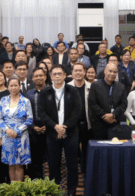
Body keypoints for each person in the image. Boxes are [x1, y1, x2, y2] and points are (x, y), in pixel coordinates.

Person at [37, 65, 82, 196]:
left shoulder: (72, 91)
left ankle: (71, 190)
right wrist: (55, 126)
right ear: (50, 76)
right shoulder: (45, 92)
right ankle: (54, 190)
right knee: (53, 164)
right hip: (52, 133)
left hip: (71, 132)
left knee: (72, 164)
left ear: (64, 75)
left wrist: (64, 127)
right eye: (54, 74)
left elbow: (77, 111)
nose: (57, 76)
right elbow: (41, 113)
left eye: (59, 74)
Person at [0, 77, 33, 182]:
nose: (13, 88)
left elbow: (30, 119)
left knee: (19, 165)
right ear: (8, 87)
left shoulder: (26, 101)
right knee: (10, 165)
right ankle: (13, 189)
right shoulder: (3, 100)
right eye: (11, 85)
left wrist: (17, 130)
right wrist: (7, 130)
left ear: (19, 86)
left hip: (21, 136)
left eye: (15, 85)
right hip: (7, 136)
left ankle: (19, 189)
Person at [89, 62, 128, 140]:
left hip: (115, 122)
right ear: (104, 71)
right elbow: (92, 103)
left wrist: (113, 114)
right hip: (99, 123)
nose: (112, 74)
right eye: (110, 71)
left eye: (114, 72)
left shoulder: (121, 87)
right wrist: (104, 115)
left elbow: (124, 104)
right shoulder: (95, 85)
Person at [68, 62, 91, 173]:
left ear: (85, 72)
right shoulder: (67, 88)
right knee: (72, 152)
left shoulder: (91, 87)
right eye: (75, 70)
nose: (78, 73)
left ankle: (86, 174)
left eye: (80, 70)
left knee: (87, 151)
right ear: (72, 73)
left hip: (87, 124)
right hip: (72, 125)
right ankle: (73, 176)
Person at [26, 68, 48, 180]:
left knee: (50, 158)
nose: (39, 78)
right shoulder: (29, 93)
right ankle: (34, 181)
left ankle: (50, 183)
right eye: (36, 76)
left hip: (49, 128)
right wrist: (33, 126)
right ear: (33, 78)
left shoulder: (51, 91)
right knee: (34, 158)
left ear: (45, 76)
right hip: (32, 129)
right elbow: (25, 113)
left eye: (41, 75)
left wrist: (48, 125)